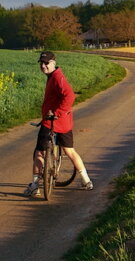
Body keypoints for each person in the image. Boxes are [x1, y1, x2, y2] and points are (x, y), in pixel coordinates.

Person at [26, 50, 93, 196]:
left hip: (52, 121)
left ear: (54, 63)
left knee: (39, 152)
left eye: (46, 63)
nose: (43, 66)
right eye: (41, 63)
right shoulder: (53, 76)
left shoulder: (57, 77)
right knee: (69, 150)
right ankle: (86, 180)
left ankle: (35, 186)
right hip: (64, 123)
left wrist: (57, 113)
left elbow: (69, 96)